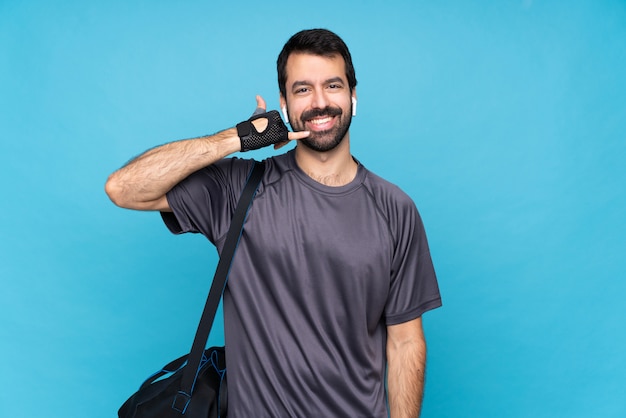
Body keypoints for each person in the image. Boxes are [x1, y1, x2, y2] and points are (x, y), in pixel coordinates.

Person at [106, 28, 442, 418]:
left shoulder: (394, 209)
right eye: (302, 90)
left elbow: (405, 343)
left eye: (332, 85)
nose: (320, 102)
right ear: (283, 102)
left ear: (353, 96)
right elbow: (124, 188)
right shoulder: (237, 189)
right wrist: (238, 138)